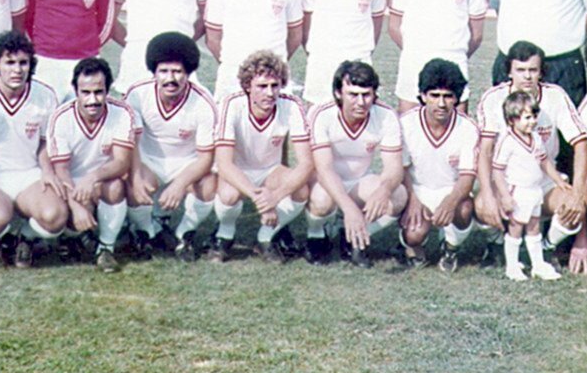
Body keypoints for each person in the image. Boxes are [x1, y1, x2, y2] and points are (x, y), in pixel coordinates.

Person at [475, 40, 587, 272]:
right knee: (481, 206)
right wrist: (489, 194)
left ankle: (547, 247)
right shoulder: (493, 98)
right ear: (509, 71)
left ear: (541, 72)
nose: (527, 77)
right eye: (520, 70)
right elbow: (485, 150)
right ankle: (498, 244)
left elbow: (581, 142)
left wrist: (578, 191)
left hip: (544, 182)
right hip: (507, 183)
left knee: (572, 207)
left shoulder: (555, 96)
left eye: (533, 70)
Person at [0, 31, 66, 269]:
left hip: (28, 173)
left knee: (55, 216)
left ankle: (25, 237)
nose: (17, 70)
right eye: (9, 62)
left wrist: (47, 171)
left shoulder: (44, 95)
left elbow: (44, 142)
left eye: (23, 63)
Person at [210, 51, 312, 264]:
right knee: (228, 194)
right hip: (238, 169)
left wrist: (275, 198)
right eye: (262, 86)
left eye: (275, 85)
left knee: (301, 189)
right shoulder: (231, 104)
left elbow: (306, 163)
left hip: (270, 170)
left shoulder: (291, 105)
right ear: (247, 86)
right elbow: (224, 163)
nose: (269, 93)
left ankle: (266, 237)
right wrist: (260, 199)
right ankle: (224, 235)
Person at [124, 32, 217, 261]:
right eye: (164, 71)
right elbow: (131, 145)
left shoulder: (203, 102)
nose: (170, 78)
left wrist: (180, 184)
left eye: (177, 71)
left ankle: (184, 234)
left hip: (187, 162)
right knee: (135, 181)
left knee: (208, 184)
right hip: (147, 159)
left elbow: (206, 158)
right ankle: (147, 231)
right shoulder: (137, 94)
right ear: (154, 71)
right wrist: (135, 177)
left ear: (188, 72)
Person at [304, 60, 406, 267]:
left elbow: (394, 167)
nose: (361, 102)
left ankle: (354, 237)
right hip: (326, 183)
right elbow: (324, 169)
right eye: (353, 94)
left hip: (359, 181)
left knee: (398, 195)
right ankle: (316, 235)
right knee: (322, 200)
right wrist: (350, 209)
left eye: (366, 94)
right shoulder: (321, 114)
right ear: (338, 93)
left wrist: (384, 189)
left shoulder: (386, 115)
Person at [48, 58, 137, 273]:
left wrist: (92, 177)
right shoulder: (61, 117)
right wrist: (77, 207)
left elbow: (122, 162)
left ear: (108, 90)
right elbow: (61, 170)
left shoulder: (122, 112)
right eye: (85, 92)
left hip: (100, 180)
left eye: (99, 92)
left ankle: (105, 248)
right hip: (69, 183)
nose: (92, 100)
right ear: (75, 90)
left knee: (116, 187)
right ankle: (70, 238)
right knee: (58, 215)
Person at [398, 59, 478, 272]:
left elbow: (467, 177)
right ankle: (413, 247)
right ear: (423, 96)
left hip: (450, 189)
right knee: (414, 233)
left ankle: (450, 248)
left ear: (457, 98)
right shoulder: (406, 124)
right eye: (434, 96)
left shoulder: (468, 127)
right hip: (418, 189)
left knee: (464, 209)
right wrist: (413, 200)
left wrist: (451, 201)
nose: (441, 104)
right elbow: (402, 169)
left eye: (448, 96)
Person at [491, 91, 566, 282]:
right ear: (512, 120)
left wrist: (558, 181)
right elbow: (497, 171)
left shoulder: (535, 137)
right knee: (515, 229)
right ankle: (512, 266)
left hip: (535, 190)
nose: (532, 121)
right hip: (518, 191)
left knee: (534, 228)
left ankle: (537, 264)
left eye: (534, 116)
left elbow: (545, 162)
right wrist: (505, 196)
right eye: (526, 117)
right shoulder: (507, 141)